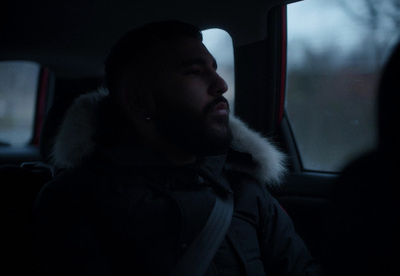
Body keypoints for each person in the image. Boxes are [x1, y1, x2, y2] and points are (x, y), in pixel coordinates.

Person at [33, 20, 321, 275]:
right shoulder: (74, 201)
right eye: (194, 72)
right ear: (141, 101)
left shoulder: (244, 189)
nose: (220, 84)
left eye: (214, 69)